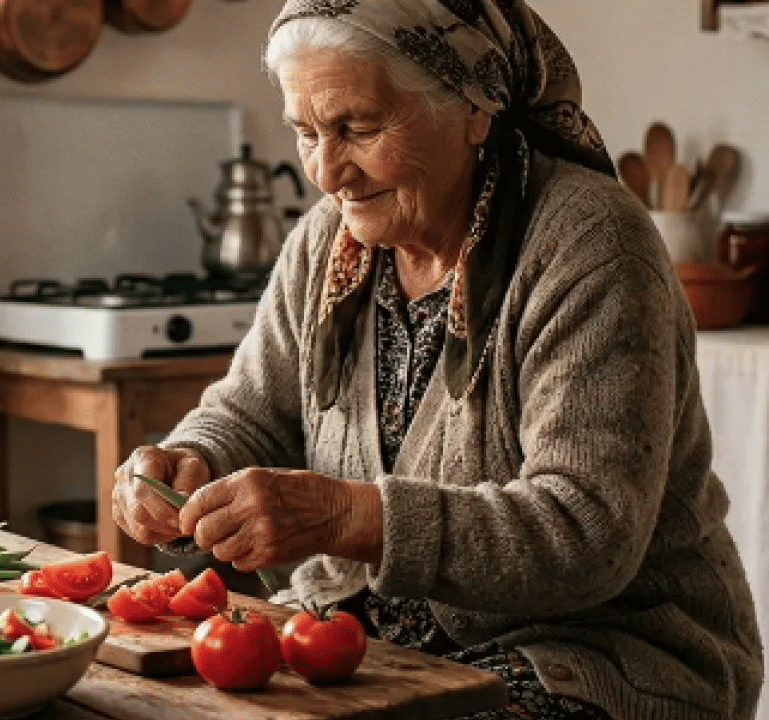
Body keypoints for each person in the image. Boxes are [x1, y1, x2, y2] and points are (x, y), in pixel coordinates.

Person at [110, 1, 763, 718]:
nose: (327, 172)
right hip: (370, 641)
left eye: (359, 128)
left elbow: (587, 531)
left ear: (473, 108)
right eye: (306, 132)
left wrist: (346, 516)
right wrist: (191, 459)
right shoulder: (326, 242)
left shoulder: (591, 246)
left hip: (597, 653)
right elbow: (252, 415)